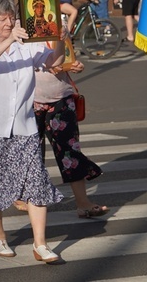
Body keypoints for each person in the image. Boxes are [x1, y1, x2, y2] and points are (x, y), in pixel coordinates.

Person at [0, 0, 64, 263]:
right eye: (2, 19)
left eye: (11, 17)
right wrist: (9, 41)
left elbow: (54, 62)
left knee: (36, 181)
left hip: (24, 125)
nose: (8, 23)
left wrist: (61, 36)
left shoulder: (27, 41)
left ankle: (40, 244)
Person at [32, 44, 108, 219]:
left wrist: (74, 65)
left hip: (61, 97)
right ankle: (26, 199)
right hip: (29, 100)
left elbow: (67, 57)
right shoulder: (20, 28)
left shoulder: (60, 26)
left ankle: (83, 203)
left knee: (70, 152)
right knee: (31, 153)